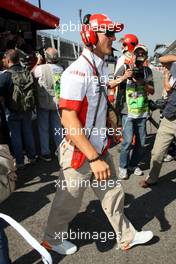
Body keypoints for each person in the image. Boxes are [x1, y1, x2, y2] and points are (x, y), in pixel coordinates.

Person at [41, 14, 153, 255]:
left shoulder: (100, 66)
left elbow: (100, 102)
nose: (114, 39)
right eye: (109, 33)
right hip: (81, 153)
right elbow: (68, 119)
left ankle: (127, 236)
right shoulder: (77, 71)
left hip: (98, 148)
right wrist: (93, 158)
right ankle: (51, 239)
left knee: (113, 194)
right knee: (67, 202)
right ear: (91, 37)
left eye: (114, 33)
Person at [116, 44, 154, 179]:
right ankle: (123, 167)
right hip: (128, 112)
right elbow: (111, 83)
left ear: (146, 57)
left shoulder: (148, 71)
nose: (139, 56)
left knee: (141, 142)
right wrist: (124, 77)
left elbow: (152, 91)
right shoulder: (125, 68)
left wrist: (142, 83)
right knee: (126, 142)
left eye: (142, 54)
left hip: (142, 112)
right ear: (133, 55)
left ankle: (133, 164)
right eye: (137, 53)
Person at [140, 54, 176, 188]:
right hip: (169, 118)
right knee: (157, 153)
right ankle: (151, 178)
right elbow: (162, 59)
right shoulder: (175, 66)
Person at [0, 49, 36, 169]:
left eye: (4, 58)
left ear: (8, 59)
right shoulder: (26, 72)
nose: (3, 60)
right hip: (27, 108)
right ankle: (32, 156)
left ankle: (20, 162)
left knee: (15, 136)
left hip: (12, 110)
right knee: (28, 132)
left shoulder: (5, 76)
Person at [34, 48, 63, 161]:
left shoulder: (40, 69)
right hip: (58, 102)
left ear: (45, 57)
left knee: (43, 128)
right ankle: (60, 151)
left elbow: (31, 74)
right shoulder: (61, 69)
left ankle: (46, 153)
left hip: (44, 102)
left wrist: (38, 61)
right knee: (57, 128)